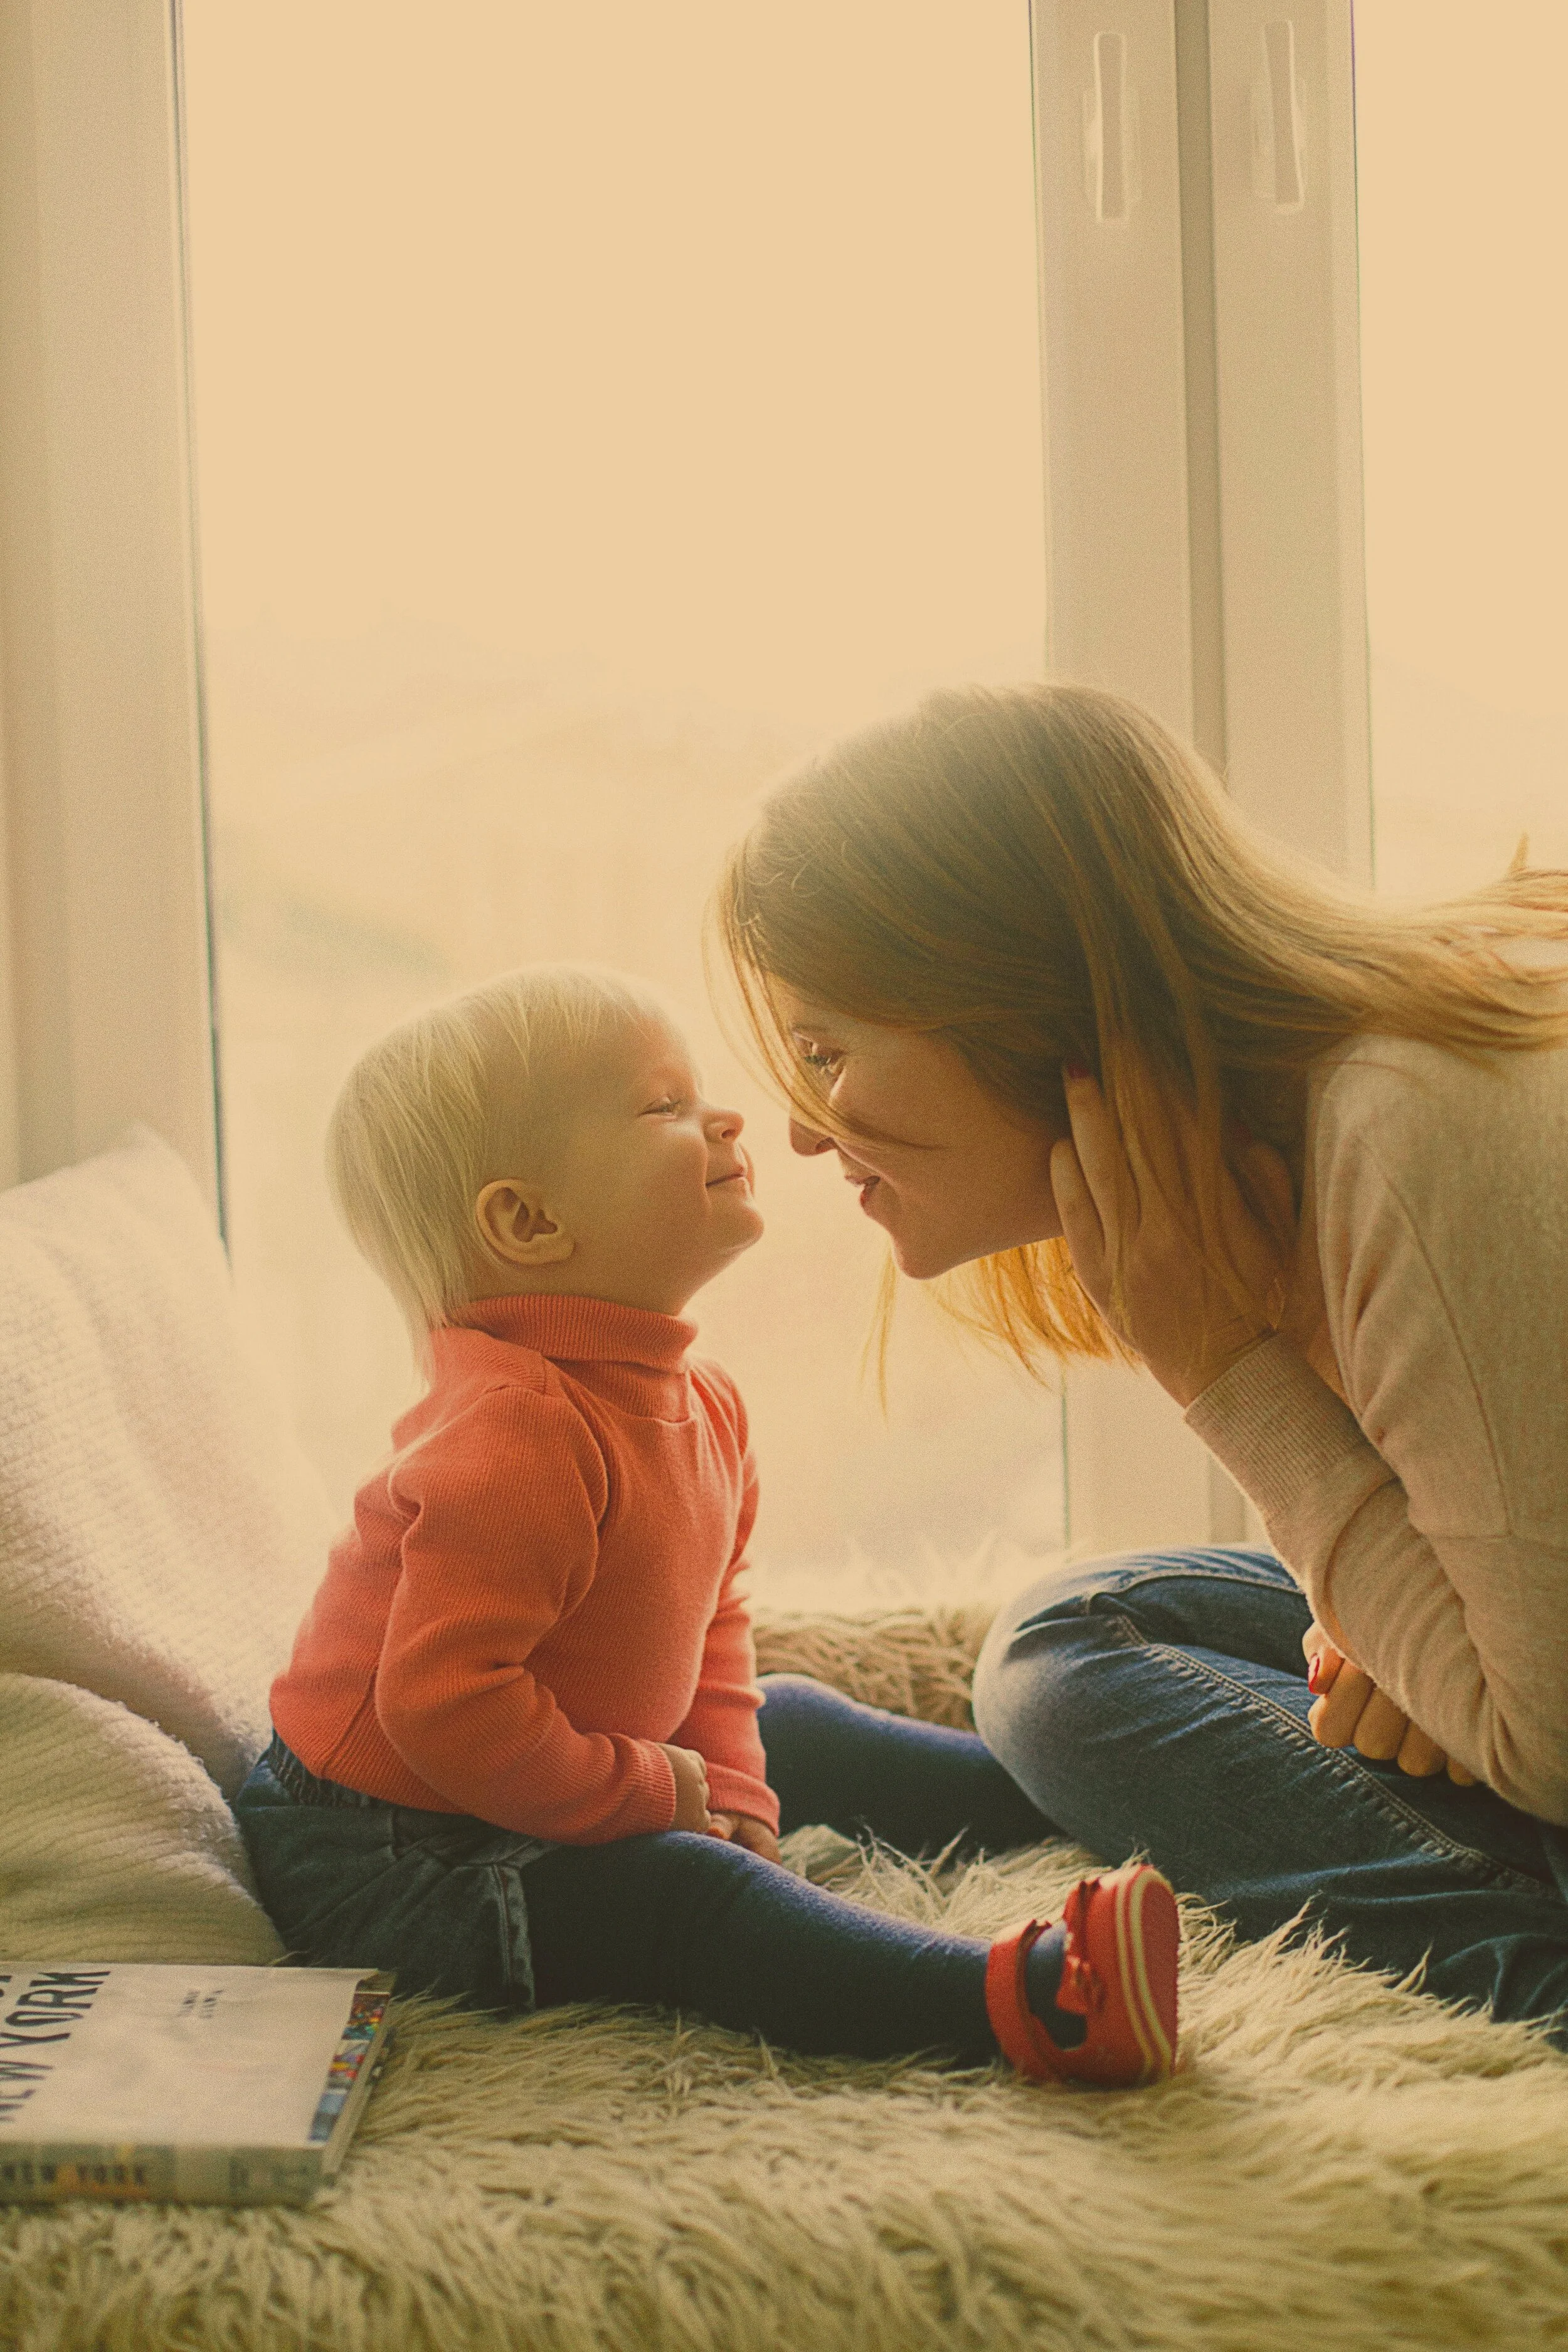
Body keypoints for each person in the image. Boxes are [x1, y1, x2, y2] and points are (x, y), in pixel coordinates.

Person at [713, 679, 1568, 2040]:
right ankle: (1110, 1800)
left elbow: (1545, 1743)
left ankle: (1524, 1966)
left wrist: (1225, 1370)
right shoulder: (1313, 1130)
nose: (808, 1131)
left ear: (1008, 994)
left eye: (825, 1053)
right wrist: (1393, 1637)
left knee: (1067, 1672)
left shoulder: (1403, 1133)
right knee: (1073, 1633)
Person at [234, 963, 1180, 2087]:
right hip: (385, 1853)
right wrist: (646, 1795)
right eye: (664, 1106)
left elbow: (710, 1628)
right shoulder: (515, 1431)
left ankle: (1098, 1799)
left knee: (791, 1718)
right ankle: (1035, 2000)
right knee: (687, 1896)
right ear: (529, 1221)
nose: (726, 1116)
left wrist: (729, 1787)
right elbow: (443, 1705)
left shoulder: (704, 1405)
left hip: (522, 1768)